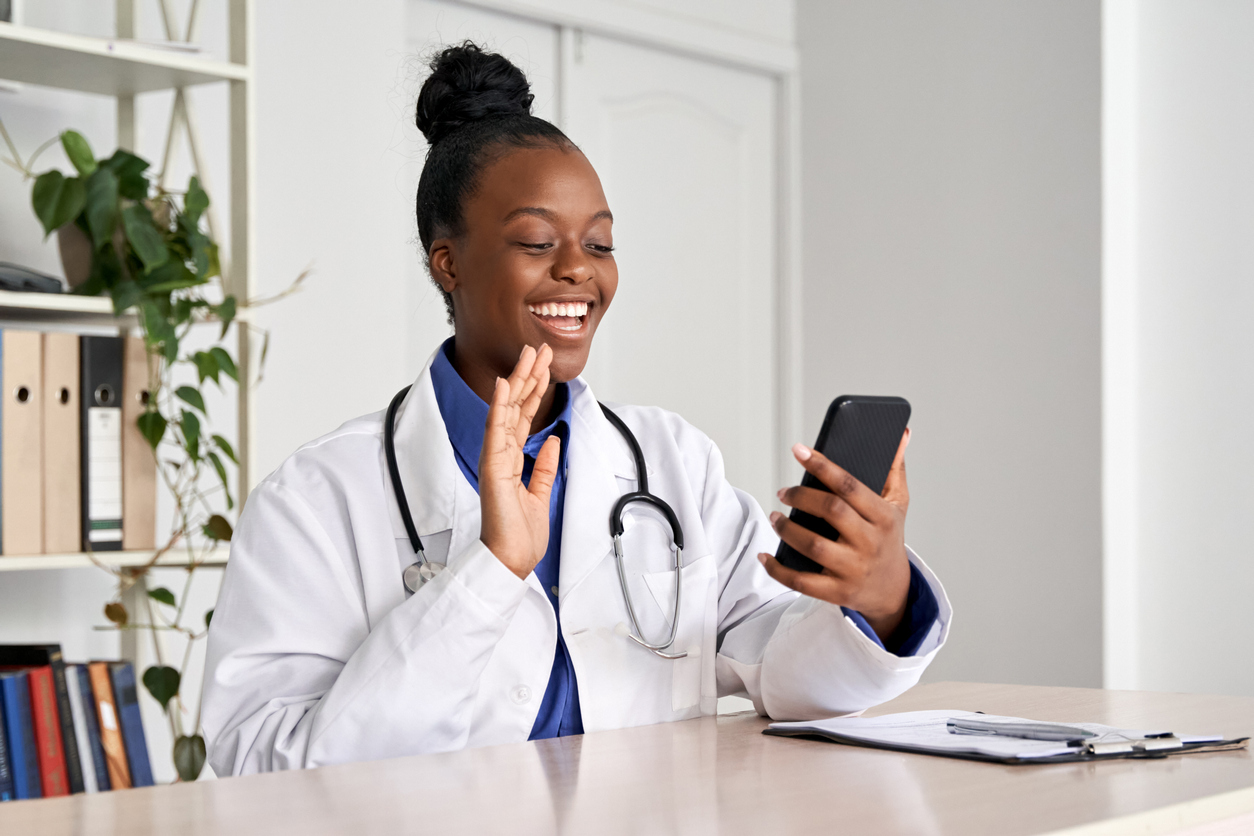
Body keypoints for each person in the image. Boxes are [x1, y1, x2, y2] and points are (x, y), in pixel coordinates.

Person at [202, 42, 951, 775]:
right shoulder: (313, 501)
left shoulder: (671, 461)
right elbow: (263, 771)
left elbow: (777, 669)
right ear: (447, 261)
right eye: (536, 239)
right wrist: (490, 572)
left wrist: (880, 600)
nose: (577, 270)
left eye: (599, 243)